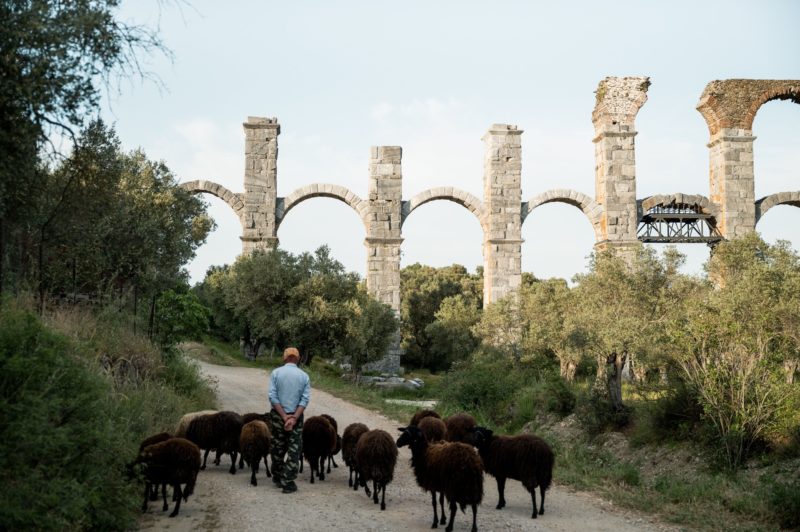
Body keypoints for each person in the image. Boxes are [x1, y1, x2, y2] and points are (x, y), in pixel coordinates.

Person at [268, 346, 310, 493]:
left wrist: (284, 416)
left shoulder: (276, 373)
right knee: (294, 449)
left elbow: (272, 397)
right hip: (296, 416)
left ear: (284, 358)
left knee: (277, 447)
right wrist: (294, 418)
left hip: (278, 415)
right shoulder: (304, 376)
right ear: (298, 358)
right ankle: (288, 482)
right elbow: (305, 400)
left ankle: (278, 477)